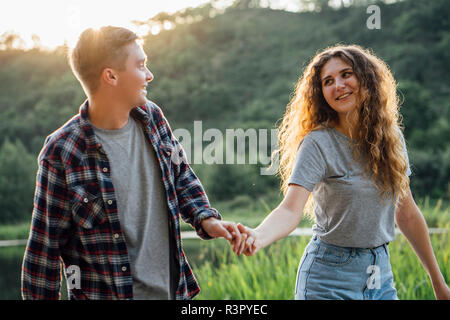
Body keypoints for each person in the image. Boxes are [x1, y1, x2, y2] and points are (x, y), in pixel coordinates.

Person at [21, 26, 244, 300]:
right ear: (111, 76)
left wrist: (207, 219)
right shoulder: (62, 151)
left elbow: (181, 176)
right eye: (141, 66)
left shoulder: (153, 118)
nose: (150, 75)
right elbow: (42, 254)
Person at [235, 44, 450, 300]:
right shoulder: (317, 144)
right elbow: (290, 209)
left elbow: (407, 213)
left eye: (346, 74)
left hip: (380, 275)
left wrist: (440, 286)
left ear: (366, 78)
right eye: (328, 81)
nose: (338, 85)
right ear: (320, 93)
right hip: (327, 280)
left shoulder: (391, 139)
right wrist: (258, 236)